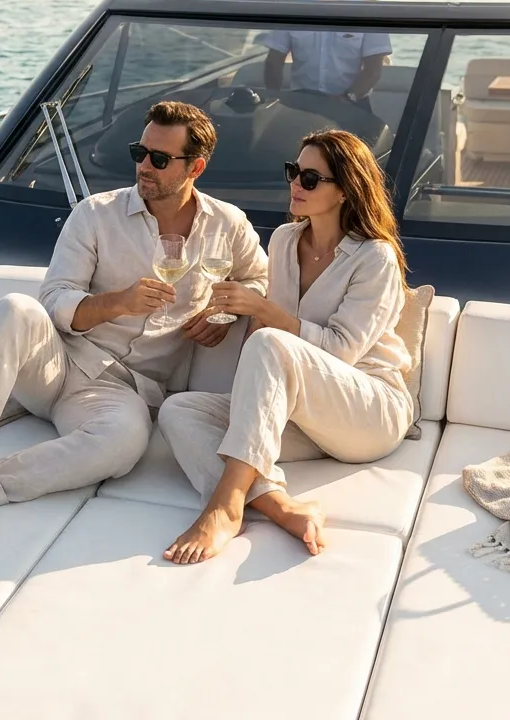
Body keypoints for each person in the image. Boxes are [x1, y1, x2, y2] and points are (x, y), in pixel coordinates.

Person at [0, 100, 269, 563]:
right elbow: (54, 298)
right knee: (15, 308)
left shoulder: (227, 224)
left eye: (160, 159)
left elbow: (259, 279)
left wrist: (224, 313)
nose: (144, 165)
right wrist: (116, 302)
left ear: (195, 167)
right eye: (139, 152)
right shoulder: (95, 214)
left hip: (125, 392)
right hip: (59, 364)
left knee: (125, 444)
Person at [159, 128, 413, 565]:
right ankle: (280, 506)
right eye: (294, 171)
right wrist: (235, 315)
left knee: (271, 340)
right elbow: (267, 338)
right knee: (178, 410)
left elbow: (340, 352)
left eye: (311, 179)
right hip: (303, 414)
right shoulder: (284, 239)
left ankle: (226, 505)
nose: (296, 184)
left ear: (345, 190)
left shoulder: (375, 258)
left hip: (368, 412)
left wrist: (264, 311)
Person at [259, 0, 389, 109]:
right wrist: (273, 100)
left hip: (352, 104)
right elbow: (274, 61)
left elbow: (373, 70)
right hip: (301, 104)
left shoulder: (367, 7)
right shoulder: (293, 5)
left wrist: (348, 99)